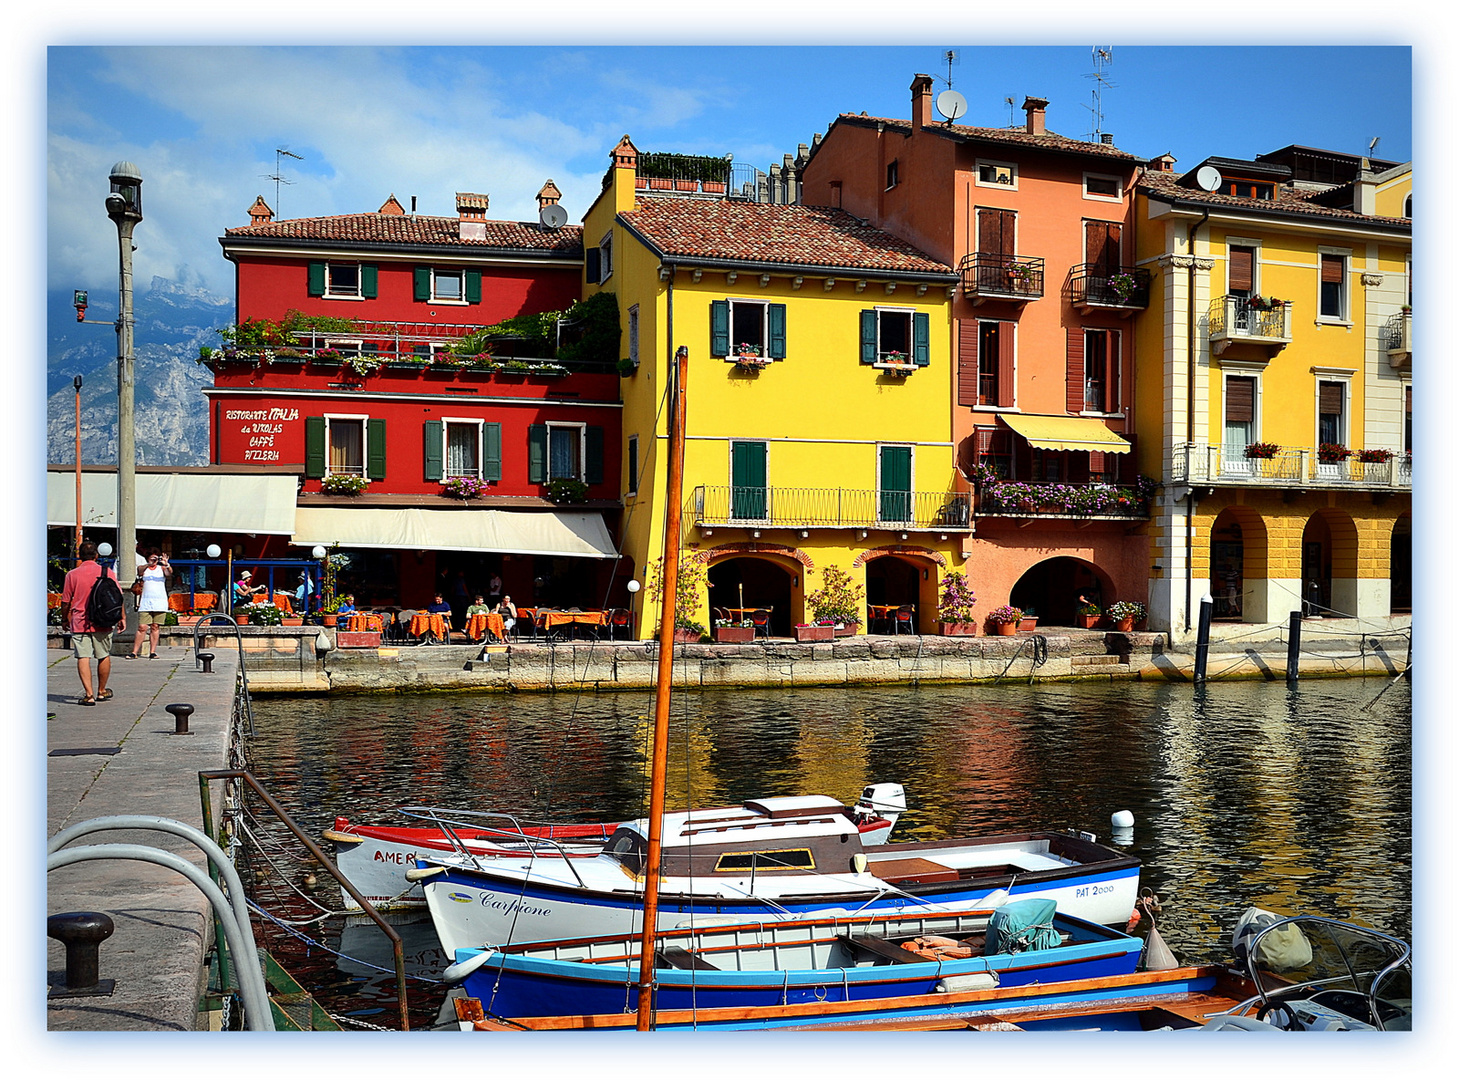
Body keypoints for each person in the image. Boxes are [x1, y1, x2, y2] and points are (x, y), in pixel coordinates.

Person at [59, 540, 119, 705]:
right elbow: (117, 597)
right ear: (96, 555)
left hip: (80, 621)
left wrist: (65, 619)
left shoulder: (72, 575)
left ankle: (89, 694)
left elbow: (65, 601)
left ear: (79, 555)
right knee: (103, 655)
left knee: (83, 656)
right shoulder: (106, 572)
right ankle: (101, 691)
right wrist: (121, 618)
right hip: (103, 620)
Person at [128, 549, 172, 659]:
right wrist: (149, 564)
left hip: (159, 601)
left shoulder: (161, 568)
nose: (154, 560)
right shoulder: (144, 569)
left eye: (156, 558)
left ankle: (152, 652)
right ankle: (134, 652)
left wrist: (166, 564)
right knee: (142, 627)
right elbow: (140, 571)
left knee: (155, 626)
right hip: (146, 602)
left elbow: (169, 573)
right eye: (152, 558)